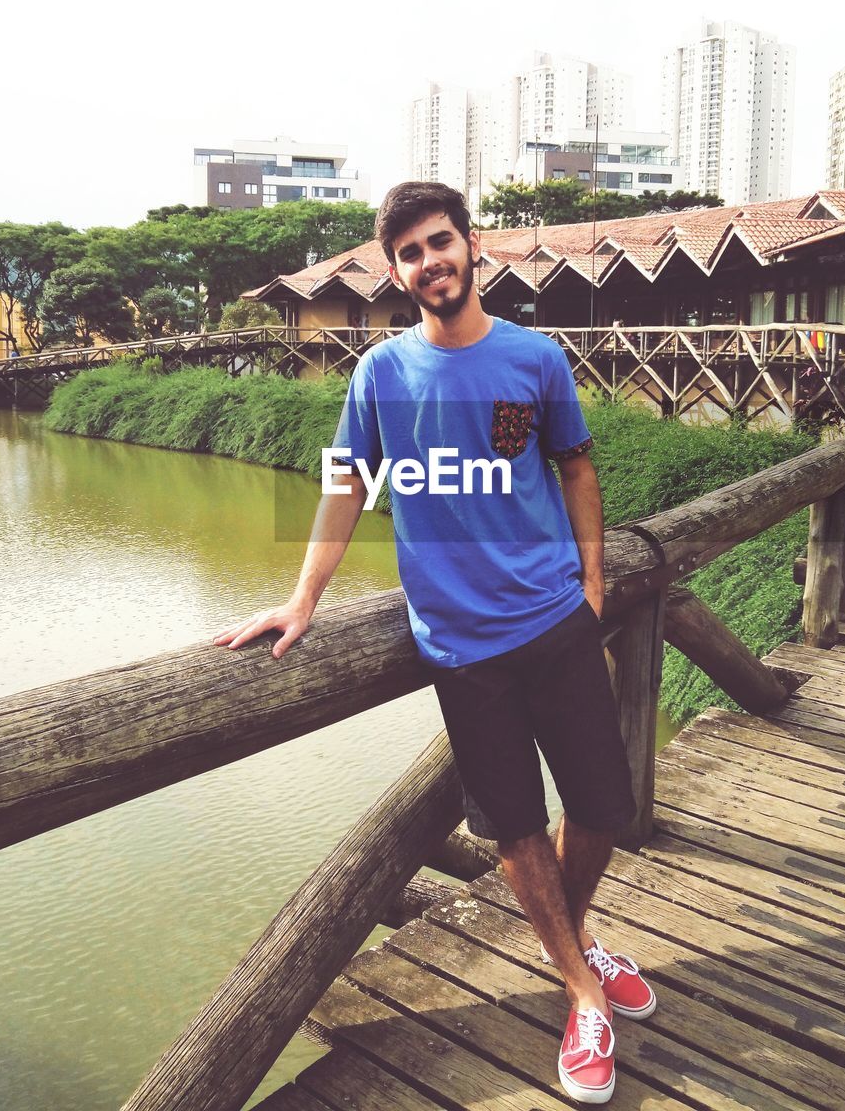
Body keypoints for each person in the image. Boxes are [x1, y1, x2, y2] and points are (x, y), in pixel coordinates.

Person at [215, 182, 655, 1104]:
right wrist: (302, 601)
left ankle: (569, 950)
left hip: (554, 623)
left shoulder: (535, 359)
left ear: (472, 245)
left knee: (604, 807)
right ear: (394, 270)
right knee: (516, 829)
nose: (429, 262)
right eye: (410, 252)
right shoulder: (382, 375)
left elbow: (577, 468)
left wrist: (595, 584)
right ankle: (581, 987)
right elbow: (346, 486)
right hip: (461, 647)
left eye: (440, 242)